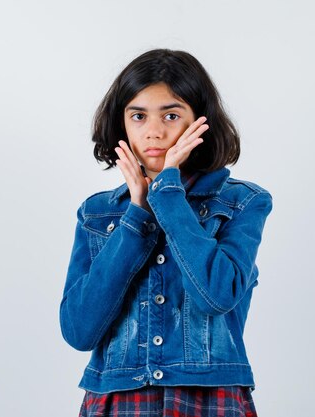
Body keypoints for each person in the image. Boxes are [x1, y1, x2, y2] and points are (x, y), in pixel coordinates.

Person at [59, 48, 273, 417]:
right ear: (122, 123)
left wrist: (169, 195)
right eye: (138, 116)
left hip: (208, 400)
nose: (154, 132)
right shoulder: (97, 213)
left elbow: (215, 296)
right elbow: (79, 330)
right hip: (116, 401)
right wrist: (136, 215)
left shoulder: (242, 202)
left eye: (171, 115)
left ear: (199, 122)